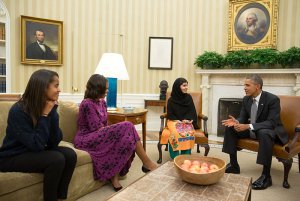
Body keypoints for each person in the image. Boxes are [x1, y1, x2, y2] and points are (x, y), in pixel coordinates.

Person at [0, 69, 77, 201]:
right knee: (56, 158)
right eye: (56, 85)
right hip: (12, 156)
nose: (59, 90)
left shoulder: (47, 106)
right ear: (43, 87)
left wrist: (52, 113)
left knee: (70, 154)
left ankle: (61, 198)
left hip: (31, 150)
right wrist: (45, 115)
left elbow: (54, 142)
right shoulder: (18, 110)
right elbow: (37, 145)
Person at [74, 74, 157, 192]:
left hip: (99, 134)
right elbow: (95, 128)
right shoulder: (86, 103)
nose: (108, 90)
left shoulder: (102, 102)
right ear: (98, 88)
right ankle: (147, 163)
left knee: (126, 137)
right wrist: (115, 131)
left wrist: (113, 131)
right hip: (86, 138)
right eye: (106, 88)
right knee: (127, 125)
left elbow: (105, 124)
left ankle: (115, 176)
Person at [222, 74, 288, 190]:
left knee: (264, 133)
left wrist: (248, 126)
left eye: (247, 85)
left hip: (269, 131)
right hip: (253, 129)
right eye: (244, 85)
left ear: (257, 86)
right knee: (230, 128)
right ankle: (233, 165)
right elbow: (243, 117)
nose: (244, 87)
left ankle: (266, 176)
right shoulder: (246, 99)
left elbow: (272, 123)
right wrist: (237, 122)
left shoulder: (272, 99)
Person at [160, 78, 198, 159]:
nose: (186, 87)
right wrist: (179, 121)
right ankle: (175, 157)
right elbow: (170, 114)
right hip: (174, 121)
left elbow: (192, 111)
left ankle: (185, 157)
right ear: (178, 87)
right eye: (184, 85)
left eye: (187, 85)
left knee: (189, 132)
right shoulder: (171, 100)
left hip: (186, 121)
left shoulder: (188, 97)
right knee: (176, 133)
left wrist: (188, 119)